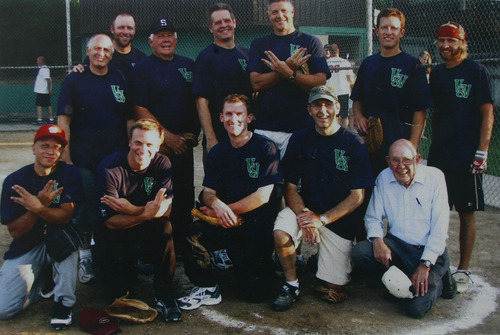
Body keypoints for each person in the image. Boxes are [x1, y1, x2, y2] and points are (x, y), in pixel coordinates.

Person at [271, 85, 373, 312]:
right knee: (281, 231)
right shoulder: (299, 140)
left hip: (337, 221)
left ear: (338, 107)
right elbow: (290, 187)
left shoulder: (353, 143)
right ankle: (292, 284)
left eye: (328, 104)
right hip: (307, 210)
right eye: (317, 105)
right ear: (309, 109)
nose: (323, 111)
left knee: (333, 289)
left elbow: (357, 196)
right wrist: (305, 217)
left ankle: (322, 263)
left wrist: (322, 219)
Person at [177, 94, 283, 310]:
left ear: (249, 117)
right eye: (228, 114)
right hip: (225, 223)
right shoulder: (218, 151)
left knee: (256, 294)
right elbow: (207, 192)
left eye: (239, 114)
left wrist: (224, 210)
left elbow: (263, 196)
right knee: (191, 233)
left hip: (254, 227)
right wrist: (217, 205)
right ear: (221, 117)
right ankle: (206, 286)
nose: (233, 119)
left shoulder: (266, 148)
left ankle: (247, 260)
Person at [351, 139, 457, 319]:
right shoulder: (384, 178)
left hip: (428, 252)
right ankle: (402, 282)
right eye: (395, 160)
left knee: (415, 309)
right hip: (398, 246)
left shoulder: (435, 178)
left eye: (407, 160)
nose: (401, 166)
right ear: (388, 161)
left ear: (418, 159)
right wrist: (378, 242)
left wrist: (425, 265)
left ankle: (441, 280)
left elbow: (440, 229)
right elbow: (372, 217)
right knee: (361, 252)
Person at [58, 33, 132, 284]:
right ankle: (85, 255)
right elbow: (63, 121)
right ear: (87, 52)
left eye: (106, 50)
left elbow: (130, 118)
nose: (101, 53)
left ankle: (109, 255)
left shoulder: (121, 77)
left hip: (116, 162)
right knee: (86, 211)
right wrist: (65, 157)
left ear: (112, 53)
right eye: (96, 49)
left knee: (113, 209)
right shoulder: (74, 80)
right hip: (84, 159)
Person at [427, 22, 495, 293]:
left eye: (451, 41)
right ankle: (436, 262)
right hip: (440, 153)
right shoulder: (438, 73)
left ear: (462, 43)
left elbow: (487, 113)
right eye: (441, 40)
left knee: (466, 212)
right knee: (435, 211)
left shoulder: (476, 71)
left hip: (466, 154)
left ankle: (464, 268)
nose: (445, 45)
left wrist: (483, 150)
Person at [94, 118, 180, 322]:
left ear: (158, 146)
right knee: (116, 295)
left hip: (143, 226)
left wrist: (134, 210)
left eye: (150, 144)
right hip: (115, 234)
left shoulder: (162, 163)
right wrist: (145, 213)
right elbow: (111, 222)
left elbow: (163, 210)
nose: (143, 149)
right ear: (129, 143)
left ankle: (165, 295)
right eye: (138, 142)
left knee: (164, 227)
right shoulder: (109, 169)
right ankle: (126, 269)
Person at [0, 125, 83, 330]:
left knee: (67, 243)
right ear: (33, 148)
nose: (51, 151)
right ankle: (44, 279)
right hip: (28, 244)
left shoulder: (69, 172)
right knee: (4, 309)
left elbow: (65, 216)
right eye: (45, 145)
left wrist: (39, 207)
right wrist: (39, 207)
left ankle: (63, 303)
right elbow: (16, 232)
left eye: (57, 147)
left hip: (58, 237)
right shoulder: (16, 180)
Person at [131, 17, 199, 256]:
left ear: (177, 39)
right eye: (160, 35)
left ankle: (181, 247)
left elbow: (197, 103)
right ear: (151, 41)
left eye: (170, 34)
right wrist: (166, 138)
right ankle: (152, 251)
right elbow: (139, 108)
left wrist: (188, 137)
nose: (166, 39)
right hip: (156, 149)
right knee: (154, 197)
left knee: (183, 196)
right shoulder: (143, 68)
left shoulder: (188, 65)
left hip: (183, 147)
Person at [351, 8, 433, 175]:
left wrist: (412, 148)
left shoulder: (413, 66)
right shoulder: (368, 64)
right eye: (384, 27)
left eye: (394, 28)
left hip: (398, 146)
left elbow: (420, 111)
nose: (389, 32)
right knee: (370, 196)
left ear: (402, 32)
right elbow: (357, 98)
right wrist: (359, 116)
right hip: (370, 145)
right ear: (377, 31)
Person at [248, 0, 330, 157]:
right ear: (268, 16)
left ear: (293, 12)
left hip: (301, 127)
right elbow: (256, 83)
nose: (280, 15)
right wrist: (284, 69)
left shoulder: (310, 42)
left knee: (297, 180)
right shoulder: (259, 44)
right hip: (266, 128)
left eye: (284, 11)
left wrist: (290, 74)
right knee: (266, 181)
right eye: (274, 12)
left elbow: (320, 82)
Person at [194, 3, 252, 159]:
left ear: (235, 22)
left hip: (247, 138)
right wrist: (211, 139)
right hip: (220, 139)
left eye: (227, 20)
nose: (224, 25)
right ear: (211, 28)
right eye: (218, 22)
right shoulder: (206, 57)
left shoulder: (247, 54)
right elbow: (201, 102)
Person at [74, 13, 146, 81]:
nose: (125, 32)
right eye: (121, 27)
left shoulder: (142, 59)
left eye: (129, 28)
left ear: (134, 30)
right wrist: (77, 71)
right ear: (112, 29)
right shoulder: (99, 57)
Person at [324, 44, 356, 129]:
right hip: (343, 91)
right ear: (338, 51)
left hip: (330, 91)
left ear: (330, 52)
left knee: (332, 114)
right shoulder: (344, 62)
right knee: (344, 116)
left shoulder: (326, 62)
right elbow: (350, 79)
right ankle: (345, 133)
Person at [34, 56, 54, 125]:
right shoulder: (42, 69)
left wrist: (49, 90)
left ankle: (40, 119)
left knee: (40, 104)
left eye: (38, 60)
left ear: (42, 61)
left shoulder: (45, 69)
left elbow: (48, 80)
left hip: (43, 90)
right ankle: (50, 118)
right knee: (47, 104)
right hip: (42, 90)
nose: (37, 62)